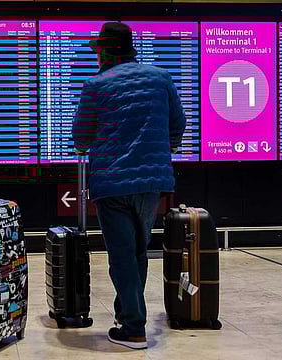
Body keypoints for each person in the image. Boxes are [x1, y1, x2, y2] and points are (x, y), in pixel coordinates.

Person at [72, 22, 186, 350]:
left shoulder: (96, 85)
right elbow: (178, 122)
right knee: (138, 249)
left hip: (112, 182)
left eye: (98, 51)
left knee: (122, 254)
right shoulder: (161, 78)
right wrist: (171, 144)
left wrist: (82, 146)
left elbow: (81, 136)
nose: (96, 57)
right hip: (152, 183)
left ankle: (134, 326)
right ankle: (126, 314)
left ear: (106, 53)